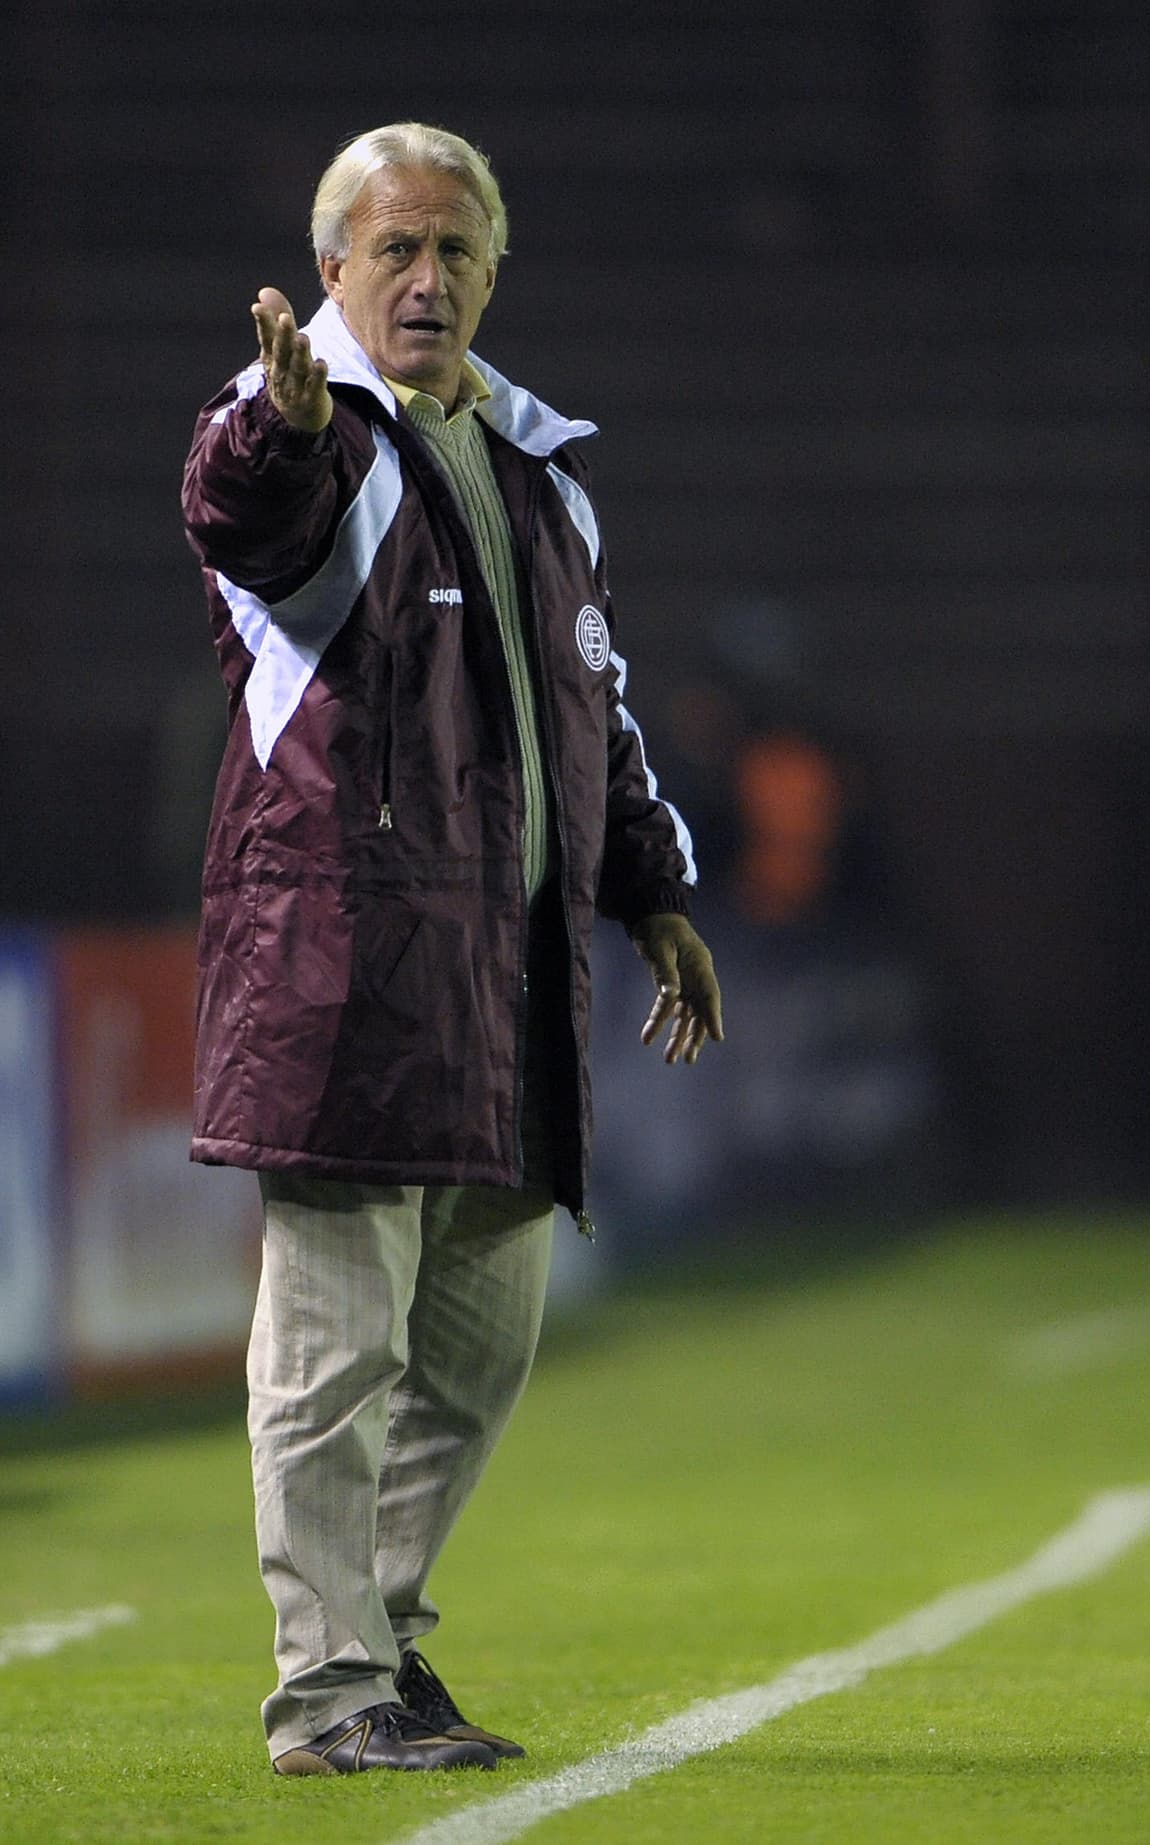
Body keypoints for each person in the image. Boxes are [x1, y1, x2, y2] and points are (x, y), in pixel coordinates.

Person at [181, 121, 722, 1778]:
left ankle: (383, 1641)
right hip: (348, 974)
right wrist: (279, 427)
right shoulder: (300, 433)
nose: (425, 280)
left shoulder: (537, 466)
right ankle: (326, 1686)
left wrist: (653, 887)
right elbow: (249, 518)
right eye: (393, 250)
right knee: (336, 1356)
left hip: (507, 990)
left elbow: (593, 703)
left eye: (455, 252)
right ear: (332, 266)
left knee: (478, 1358)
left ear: (495, 270)